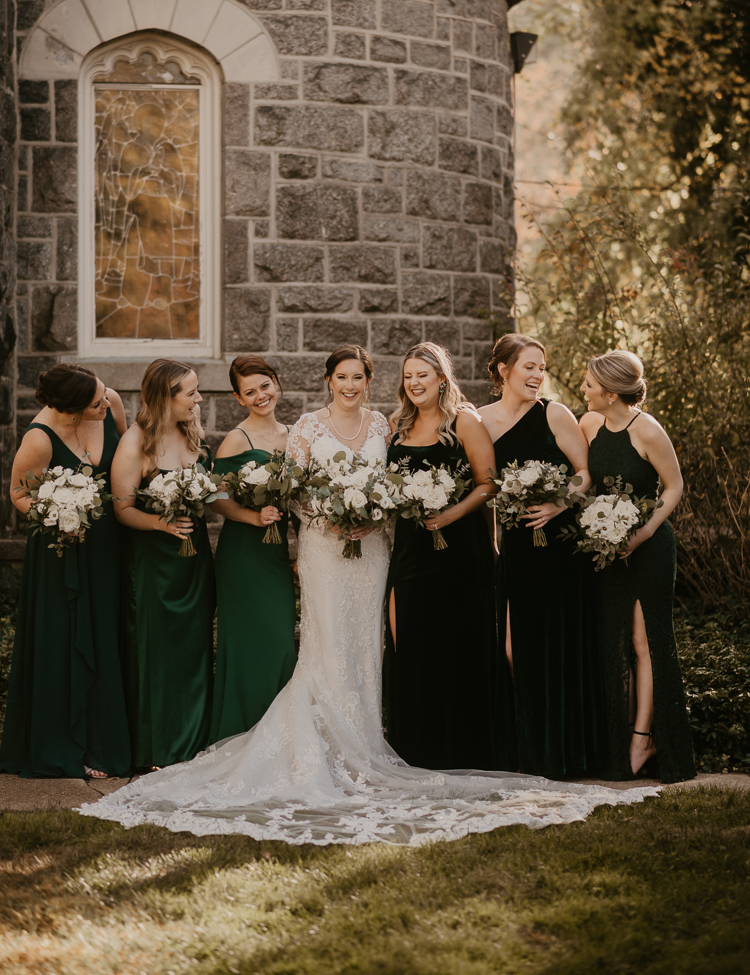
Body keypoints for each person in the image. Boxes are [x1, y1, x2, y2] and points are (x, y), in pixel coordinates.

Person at [79, 347, 657, 845]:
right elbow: (299, 489)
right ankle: (322, 742)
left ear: (369, 382)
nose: (351, 385)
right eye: (341, 377)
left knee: (367, 643)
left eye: (359, 377)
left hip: (374, 549)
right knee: (327, 643)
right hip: (325, 549)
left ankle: (368, 736)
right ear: (328, 382)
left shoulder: (385, 428)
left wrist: (370, 514)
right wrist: (328, 517)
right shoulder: (306, 427)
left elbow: (392, 490)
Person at [479, 333, 605, 779]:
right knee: (512, 647)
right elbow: (483, 487)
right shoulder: (479, 420)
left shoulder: (555, 413)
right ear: (503, 370)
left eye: (541, 367)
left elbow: (584, 473)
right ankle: (522, 752)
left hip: (558, 548)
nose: (537, 375)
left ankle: (560, 755)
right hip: (514, 546)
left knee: (556, 646)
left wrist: (558, 503)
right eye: (529, 366)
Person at [0, 363, 131, 779]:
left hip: (109, 545)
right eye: (94, 403)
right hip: (61, 552)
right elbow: (19, 492)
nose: (104, 404)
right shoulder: (39, 439)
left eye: (103, 394)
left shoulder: (111, 403)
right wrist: (56, 510)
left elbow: (127, 458)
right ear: (71, 409)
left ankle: (108, 741)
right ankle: (67, 745)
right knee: (67, 639)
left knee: (108, 633)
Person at [580, 350, 696, 782]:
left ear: (611, 393)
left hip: (648, 546)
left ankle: (644, 739)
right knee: (615, 642)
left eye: (589, 385)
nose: (584, 391)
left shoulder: (647, 429)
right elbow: (585, 478)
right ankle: (613, 744)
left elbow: (674, 485)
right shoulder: (590, 423)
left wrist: (642, 533)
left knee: (646, 641)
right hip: (606, 548)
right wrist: (561, 500)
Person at [385, 342, 498, 769]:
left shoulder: (465, 422)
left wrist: (449, 513)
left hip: (460, 551)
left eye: (423, 376)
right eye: (408, 376)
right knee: (412, 643)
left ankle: (464, 750)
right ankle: (415, 751)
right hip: (413, 548)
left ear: (441, 380)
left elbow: (489, 483)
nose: (414, 383)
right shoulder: (397, 425)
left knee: (458, 646)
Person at [112, 358, 216, 769]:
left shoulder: (193, 433)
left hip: (194, 562)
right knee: (156, 652)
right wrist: (160, 523)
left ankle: (193, 741)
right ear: (165, 397)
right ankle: (157, 747)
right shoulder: (136, 442)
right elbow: (122, 510)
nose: (199, 399)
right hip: (156, 564)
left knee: (193, 650)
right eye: (191, 393)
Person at [209, 355, 296, 742]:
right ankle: (240, 733)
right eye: (250, 392)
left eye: (265, 385)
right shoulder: (235, 439)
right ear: (238, 398)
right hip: (244, 553)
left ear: (276, 383)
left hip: (275, 555)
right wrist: (252, 516)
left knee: (280, 640)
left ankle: (279, 736)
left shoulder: (297, 434)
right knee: (248, 642)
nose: (261, 396)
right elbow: (216, 498)